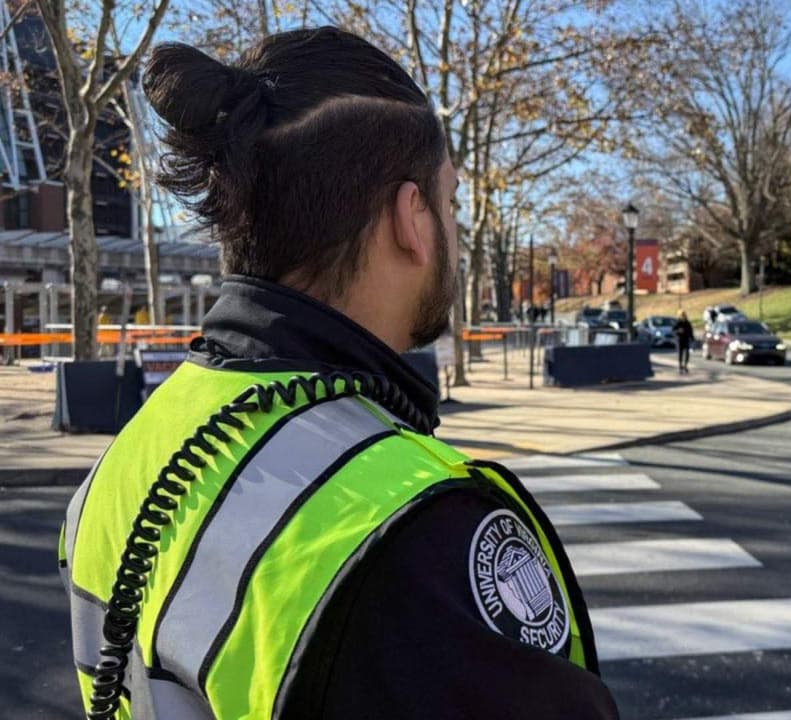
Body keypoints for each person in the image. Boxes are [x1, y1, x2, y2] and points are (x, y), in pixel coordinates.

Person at [58, 28, 616, 720]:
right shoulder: (419, 532)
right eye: (451, 203)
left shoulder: (113, 470)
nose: (455, 231)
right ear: (411, 218)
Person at [673, 309, 694, 374]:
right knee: (680, 353)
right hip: (679, 340)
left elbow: (691, 331)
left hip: (686, 339)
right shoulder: (678, 322)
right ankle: (680, 366)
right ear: (679, 315)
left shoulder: (687, 323)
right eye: (682, 315)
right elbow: (673, 330)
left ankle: (685, 366)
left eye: (684, 315)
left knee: (687, 353)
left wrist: (692, 338)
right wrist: (678, 331)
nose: (683, 316)